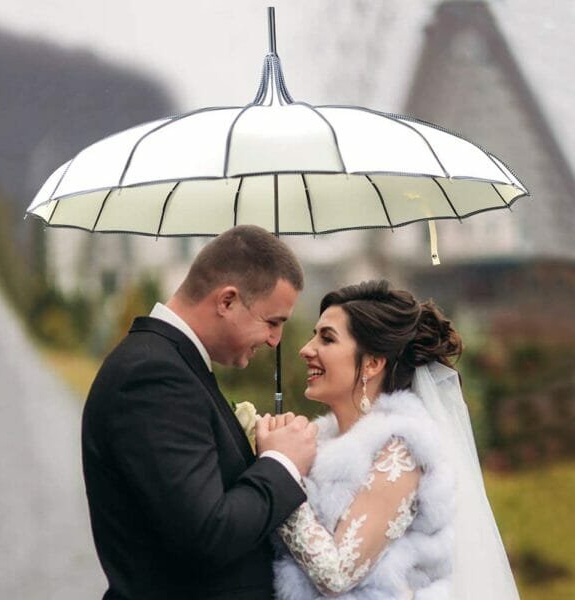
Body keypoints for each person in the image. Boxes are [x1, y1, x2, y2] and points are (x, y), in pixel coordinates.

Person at [82, 225, 318, 600]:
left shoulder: (175, 364)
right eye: (273, 322)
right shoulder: (153, 376)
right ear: (227, 301)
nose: (276, 340)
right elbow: (207, 533)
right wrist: (282, 464)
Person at [266, 280, 520, 599]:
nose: (306, 349)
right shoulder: (317, 440)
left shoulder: (401, 449)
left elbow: (336, 574)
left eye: (327, 338)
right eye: (313, 335)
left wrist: (281, 472)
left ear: (372, 363)